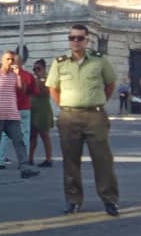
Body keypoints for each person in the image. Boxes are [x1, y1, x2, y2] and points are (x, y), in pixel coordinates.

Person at [45, 23, 120, 216]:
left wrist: (97, 100)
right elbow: (53, 88)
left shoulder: (99, 61)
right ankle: (73, 200)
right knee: (70, 161)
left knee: (102, 159)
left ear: (87, 40)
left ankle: (110, 200)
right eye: (72, 38)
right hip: (69, 116)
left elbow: (110, 84)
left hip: (95, 115)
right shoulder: (60, 62)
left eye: (79, 38)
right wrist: (64, 105)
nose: (75, 41)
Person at [0, 51, 39, 180]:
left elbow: (22, 90)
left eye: (12, 60)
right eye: (8, 59)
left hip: (12, 114)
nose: (10, 62)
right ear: (2, 60)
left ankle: (24, 168)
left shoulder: (14, 76)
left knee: (19, 140)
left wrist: (18, 75)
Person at [0, 53, 35, 169]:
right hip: (24, 108)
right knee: (24, 135)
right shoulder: (27, 75)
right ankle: (23, 161)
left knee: (4, 136)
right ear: (22, 63)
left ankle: (0, 161)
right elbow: (34, 91)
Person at [28, 59, 55, 167]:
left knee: (44, 135)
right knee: (32, 136)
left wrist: (40, 78)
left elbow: (42, 92)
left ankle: (48, 159)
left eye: (38, 69)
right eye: (34, 69)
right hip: (32, 111)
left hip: (43, 111)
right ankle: (29, 158)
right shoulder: (33, 79)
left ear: (44, 68)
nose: (36, 71)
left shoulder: (48, 79)